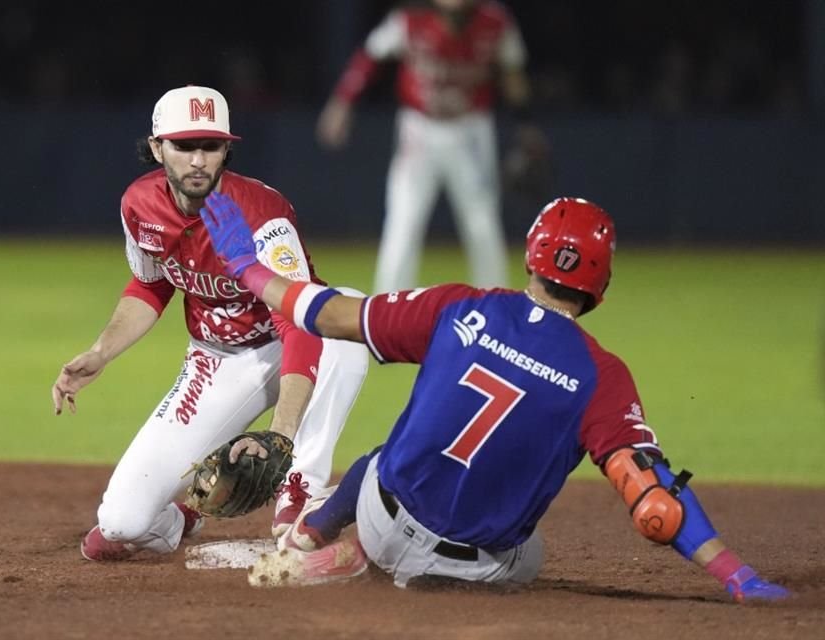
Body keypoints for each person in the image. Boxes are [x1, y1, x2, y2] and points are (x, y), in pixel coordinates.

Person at [198, 192, 791, 601]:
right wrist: (734, 573)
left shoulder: (461, 306)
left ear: (532, 253)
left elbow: (329, 314)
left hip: (381, 521)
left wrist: (247, 265)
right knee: (530, 547)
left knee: (381, 460)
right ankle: (385, 562)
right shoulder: (601, 376)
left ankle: (308, 541)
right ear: (602, 284)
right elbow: (653, 504)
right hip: (476, 574)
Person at [51, 86, 369, 561]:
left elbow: (297, 324)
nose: (198, 160)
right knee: (120, 524)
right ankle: (181, 520)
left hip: (294, 340)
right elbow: (150, 284)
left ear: (226, 149)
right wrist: (101, 352)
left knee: (341, 312)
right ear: (158, 148)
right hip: (217, 357)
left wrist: (280, 436)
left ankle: (300, 489)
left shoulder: (262, 214)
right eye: (184, 146)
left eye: (210, 146)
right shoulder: (138, 206)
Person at [316, 0, 545, 293]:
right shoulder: (409, 19)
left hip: (471, 129)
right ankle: (386, 307)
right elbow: (369, 57)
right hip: (419, 129)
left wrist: (526, 125)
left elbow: (513, 72)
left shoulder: (496, 22)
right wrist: (342, 102)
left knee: (482, 225)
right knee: (404, 221)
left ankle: (495, 305)